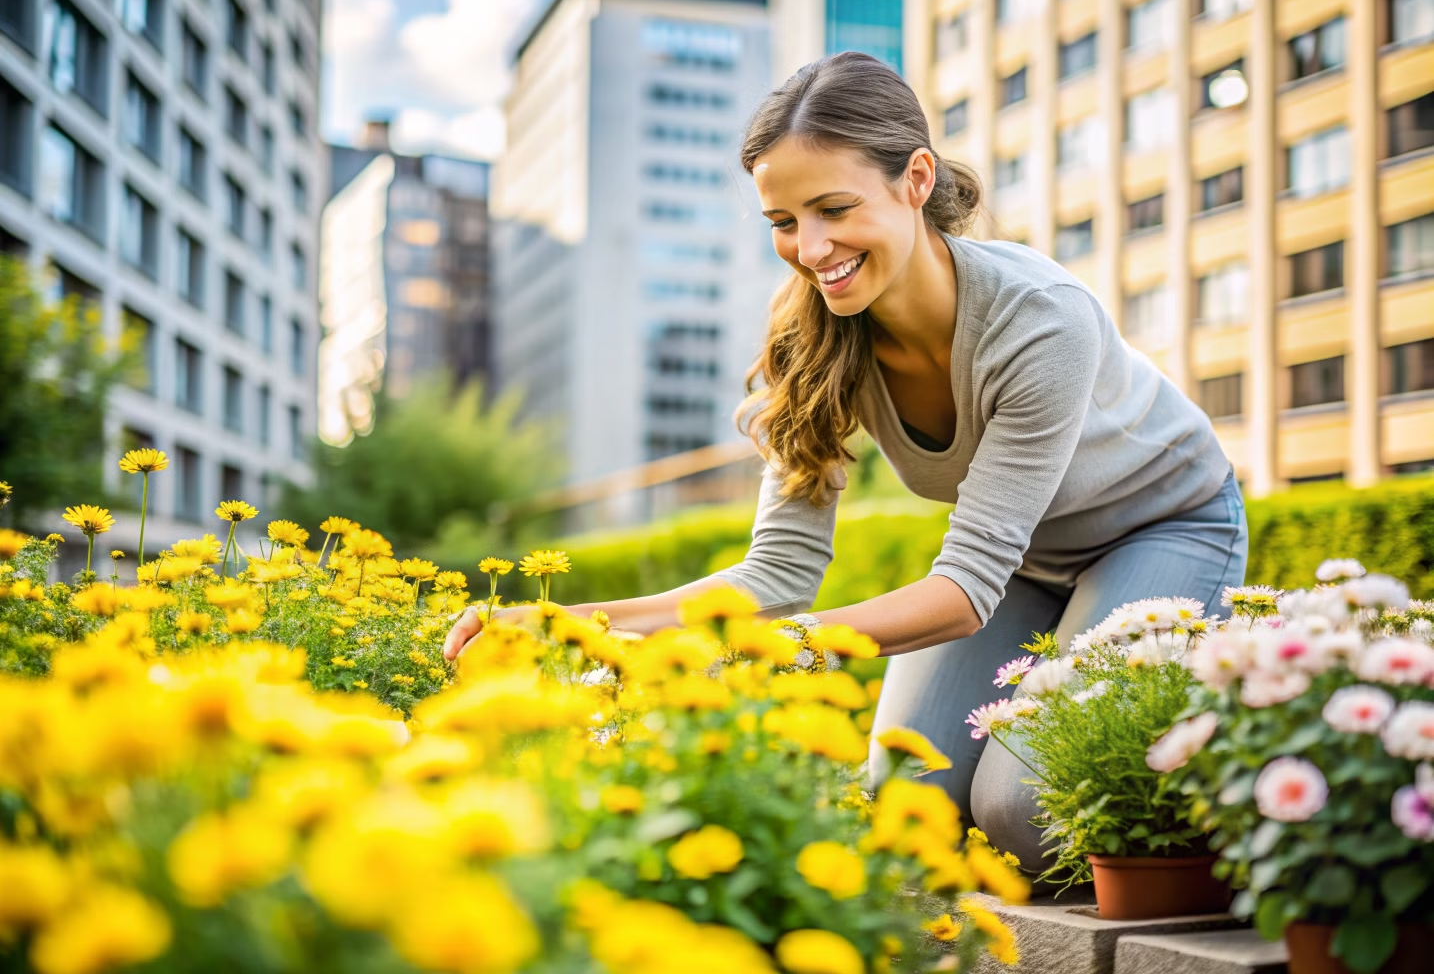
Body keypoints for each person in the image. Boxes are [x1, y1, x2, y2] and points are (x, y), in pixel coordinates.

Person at [444, 51, 1248, 872]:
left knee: (1023, 810)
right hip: (1029, 563)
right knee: (904, 807)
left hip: (1166, 528)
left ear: (917, 179)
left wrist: (773, 648)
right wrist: (568, 627)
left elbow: (963, 591)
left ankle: (1277, 735)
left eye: (833, 208)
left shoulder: (1040, 321)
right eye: (784, 222)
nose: (811, 246)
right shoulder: (816, 335)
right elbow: (777, 574)